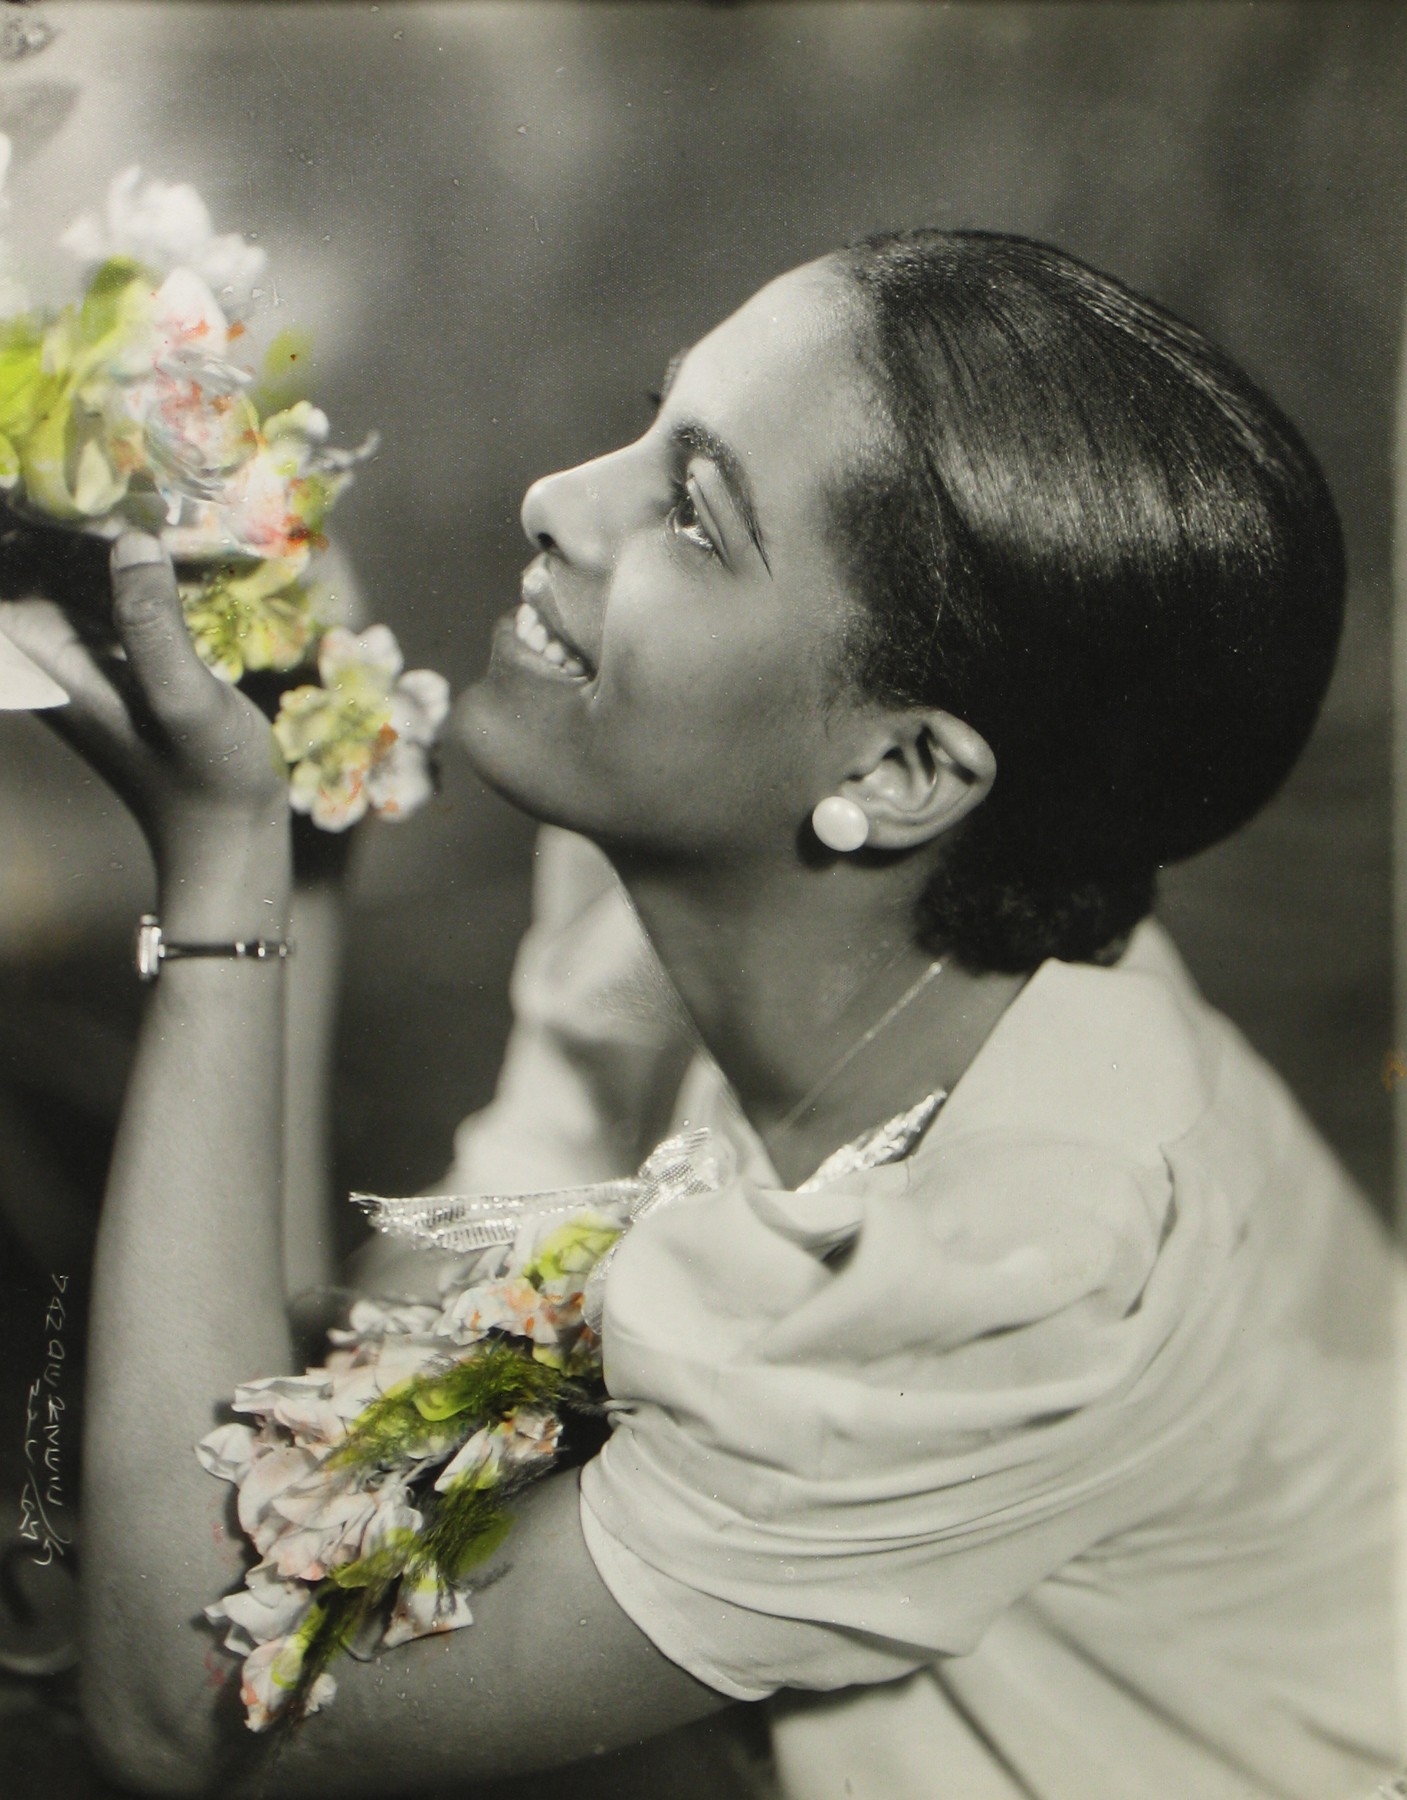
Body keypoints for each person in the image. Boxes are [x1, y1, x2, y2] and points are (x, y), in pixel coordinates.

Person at [1, 230, 1399, 1800]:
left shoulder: (1015, 1267)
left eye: (694, 513)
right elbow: (326, 1431)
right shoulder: (709, 933)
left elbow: (188, 1718)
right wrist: (308, 828)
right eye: (647, 422)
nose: (557, 496)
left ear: (896, 774)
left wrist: (220, 881)